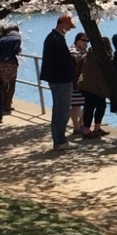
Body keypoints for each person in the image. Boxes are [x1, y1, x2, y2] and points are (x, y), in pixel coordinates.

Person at [38, 13, 77, 151]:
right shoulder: (57, 39)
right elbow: (63, 61)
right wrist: (74, 60)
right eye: (68, 26)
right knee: (62, 110)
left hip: (55, 79)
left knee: (58, 109)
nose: (70, 29)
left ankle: (58, 140)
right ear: (62, 24)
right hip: (61, 79)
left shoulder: (52, 38)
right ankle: (60, 140)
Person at [76, 34, 110, 137]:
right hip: (95, 87)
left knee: (99, 106)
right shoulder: (101, 57)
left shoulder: (90, 54)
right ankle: (87, 131)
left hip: (86, 85)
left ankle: (95, 128)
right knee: (91, 107)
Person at [0, 24, 23, 115]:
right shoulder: (17, 39)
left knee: (3, 84)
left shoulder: (2, 39)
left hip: (1, 63)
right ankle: (7, 105)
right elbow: (16, 51)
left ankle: (1, 104)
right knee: (12, 84)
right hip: (11, 63)